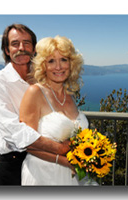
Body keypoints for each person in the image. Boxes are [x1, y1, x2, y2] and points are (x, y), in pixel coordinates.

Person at [0, 24, 70, 185]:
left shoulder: (43, 80)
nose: (21, 48)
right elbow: (11, 129)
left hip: (46, 163)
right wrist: (59, 149)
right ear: (7, 50)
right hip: (13, 163)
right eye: (15, 44)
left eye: (27, 43)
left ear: (34, 49)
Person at [20, 36, 97, 185]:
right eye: (51, 61)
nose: (58, 67)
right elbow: (27, 143)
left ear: (71, 63)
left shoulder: (69, 95)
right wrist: (64, 161)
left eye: (63, 60)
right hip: (43, 176)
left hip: (73, 177)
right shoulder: (34, 92)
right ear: (43, 66)